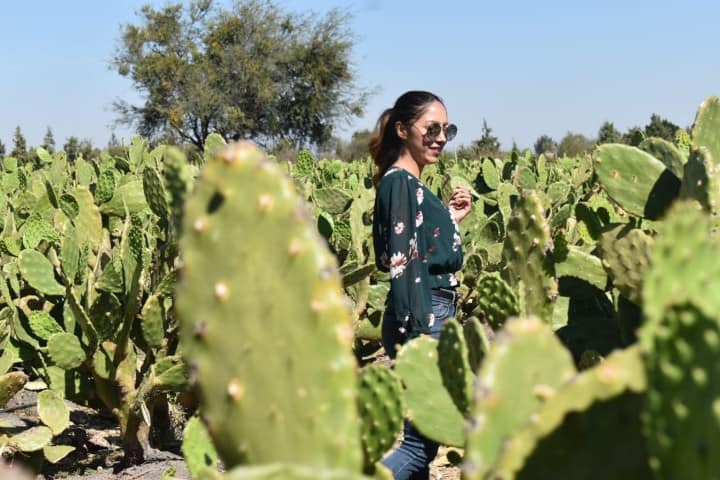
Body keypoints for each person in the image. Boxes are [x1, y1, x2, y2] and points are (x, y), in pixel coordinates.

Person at [370, 90, 472, 479]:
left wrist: (450, 218)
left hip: (427, 310)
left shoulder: (410, 186)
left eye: (447, 129)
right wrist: (420, 334)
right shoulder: (400, 183)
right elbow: (402, 259)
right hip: (424, 314)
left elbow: (418, 245)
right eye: (432, 127)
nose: (441, 137)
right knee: (417, 446)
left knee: (422, 443)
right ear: (402, 129)